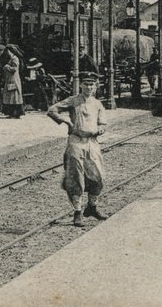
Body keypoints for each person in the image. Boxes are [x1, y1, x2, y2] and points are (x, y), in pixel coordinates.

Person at [47, 73, 109, 228]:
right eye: (86, 84)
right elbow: (52, 110)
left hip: (92, 143)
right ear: (81, 85)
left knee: (98, 176)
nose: (89, 87)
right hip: (76, 142)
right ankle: (77, 212)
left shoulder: (98, 104)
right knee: (76, 177)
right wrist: (65, 121)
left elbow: (103, 123)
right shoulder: (73, 101)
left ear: (96, 87)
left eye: (92, 84)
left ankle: (92, 207)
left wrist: (101, 129)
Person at [1, 44, 25, 118]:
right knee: (12, 96)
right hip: (11, 79)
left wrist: (7, 66)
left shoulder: (14, 58)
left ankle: (14, 113)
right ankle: (13, 113)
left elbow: (14, 69)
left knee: (13, 96)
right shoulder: (12, 58)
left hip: (13, 79)